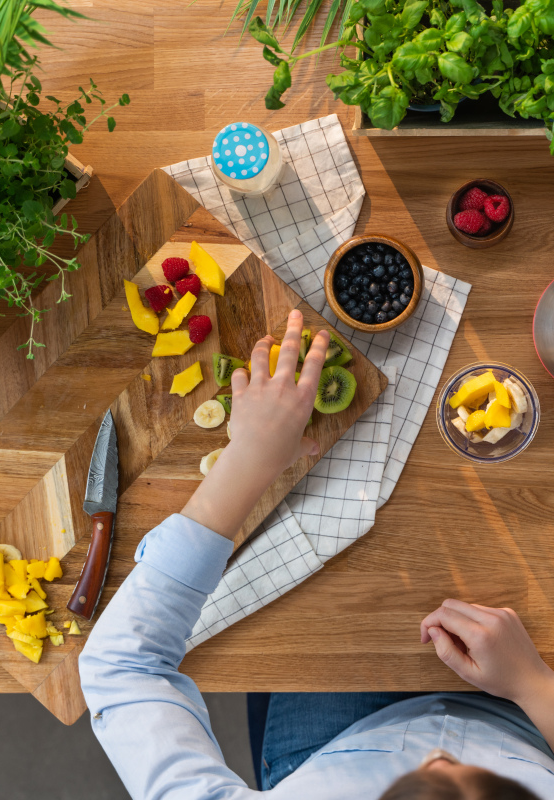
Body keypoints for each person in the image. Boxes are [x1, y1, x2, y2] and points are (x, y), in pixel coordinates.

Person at [79, 309, 554, 799]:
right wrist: (534, 685)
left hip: (337, 742)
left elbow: (121, 669)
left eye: (435, 773)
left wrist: (248, 459)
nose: (437, 757)